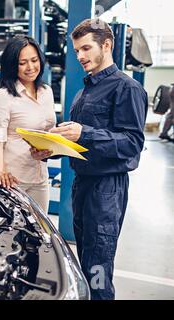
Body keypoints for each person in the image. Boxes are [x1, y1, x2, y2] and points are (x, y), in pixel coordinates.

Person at [49, 19, 148, 300]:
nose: (80, 56)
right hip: (83, 185)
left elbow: (132, 144)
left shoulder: (126, 89)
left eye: (86, 48)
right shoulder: (84, 92)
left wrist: (85, 133)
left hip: (107, 190)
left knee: (98, 269)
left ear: (106, 45)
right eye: (77, 50)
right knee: (86, 259)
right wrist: (52, 147)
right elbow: (80, 142)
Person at [0, 35, 55, 213]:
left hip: (40, 175)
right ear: (12, 65)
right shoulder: (3, 96)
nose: (30, 67)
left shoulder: (46, 92)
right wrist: (1, 172)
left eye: (34, 60)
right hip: (13, 178)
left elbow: (48, 131)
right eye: (22, 63)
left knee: (42, 233)